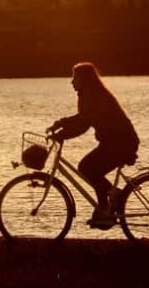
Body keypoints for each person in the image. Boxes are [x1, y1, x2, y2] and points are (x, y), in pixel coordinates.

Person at [48, 62, 139, 229]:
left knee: (87, 167)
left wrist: (62, 134)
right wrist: (61, 124)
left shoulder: (94, 96)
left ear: (84, 79)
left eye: (75, 77)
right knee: (90, 168)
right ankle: (108, 204)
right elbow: (83, 118)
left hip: (121, 142)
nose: (72, 81)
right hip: (114, 141)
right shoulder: (89, 94)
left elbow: (84, 123)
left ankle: (108, 204)